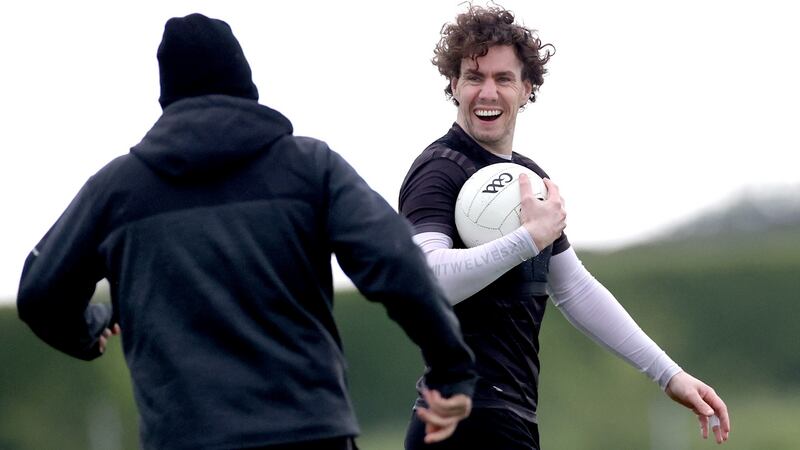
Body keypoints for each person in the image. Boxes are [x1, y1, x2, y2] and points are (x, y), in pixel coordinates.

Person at [16, 13, 476, 450]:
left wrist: (88, 328)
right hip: (310, 431)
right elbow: (395, 258)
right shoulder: (309, 167)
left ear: (167, 97)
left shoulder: (117, 190)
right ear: (246, 84)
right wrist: (449, 369)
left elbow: (40, 292)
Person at [399, 5, 731, 449]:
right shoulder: (438, 170)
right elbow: (428, 280)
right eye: (474, 77)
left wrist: (669, 374)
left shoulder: (529, 177)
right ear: (454, 85)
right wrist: (527, 240)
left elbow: (574, 288)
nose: (487, 92)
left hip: (510, 417)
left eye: (503, 78)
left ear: (527, 88)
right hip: (460, 420)